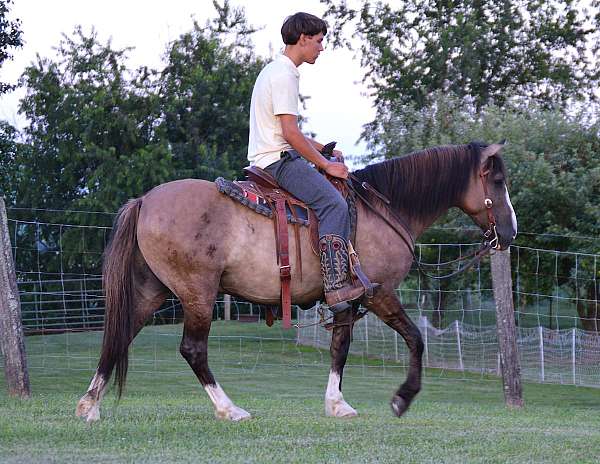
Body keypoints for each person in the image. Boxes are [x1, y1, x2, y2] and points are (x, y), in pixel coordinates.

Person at [247, 12, 372, 313]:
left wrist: (324, 150)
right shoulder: (286, 74)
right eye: (318, 41)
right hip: (277, 161)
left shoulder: (273, 70)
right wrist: (327, 165)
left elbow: (288, 131)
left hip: (270, 155)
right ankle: (336, 286)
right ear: (303, 39)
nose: (321, 47)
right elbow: (289, 134)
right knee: (334, 205)